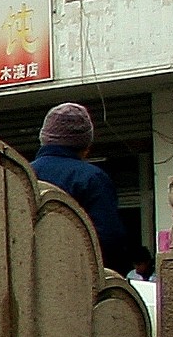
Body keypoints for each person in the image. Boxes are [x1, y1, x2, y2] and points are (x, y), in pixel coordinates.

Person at [31, 101, 142, 274]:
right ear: (86, 147)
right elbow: (109, 240)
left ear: (44, 138)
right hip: (78, 279)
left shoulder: (22, 175)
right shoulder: (91, 178)